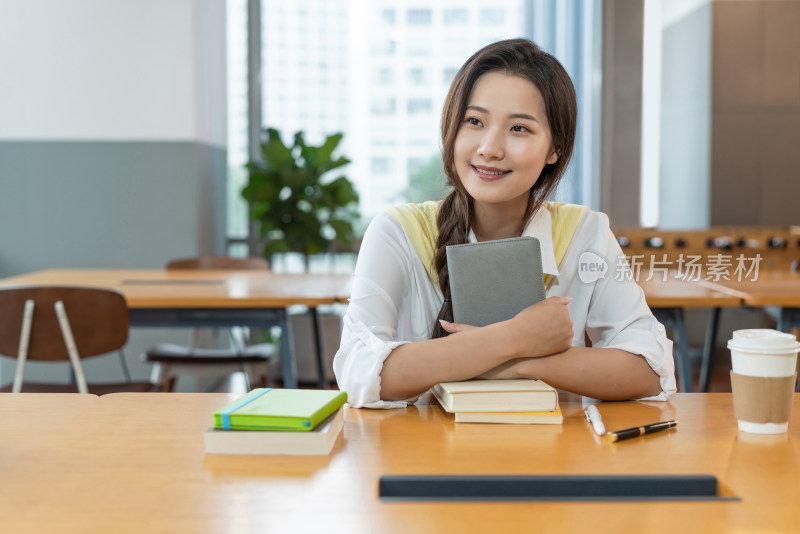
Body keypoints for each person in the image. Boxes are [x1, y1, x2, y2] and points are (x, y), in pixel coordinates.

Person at [334, 38, 676, 409]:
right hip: (424, 459)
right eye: (475, 121)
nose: (490, 148)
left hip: (550, 456)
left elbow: (650, 370)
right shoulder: (397, 232)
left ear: (555, 148)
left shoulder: (585, 232)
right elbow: (358, 373)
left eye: (519, 129)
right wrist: (513, 338)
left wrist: (511, 362)